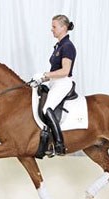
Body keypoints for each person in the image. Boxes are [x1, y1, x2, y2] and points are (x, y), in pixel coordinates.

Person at [30, 14, 76, 155]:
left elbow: (65, 71)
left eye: (54, 27)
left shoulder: (68, 46)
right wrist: (41, 80)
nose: (52, 29)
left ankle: (59, 145)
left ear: (63, 27)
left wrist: (45, 75)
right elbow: (55, 71)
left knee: (46, 108)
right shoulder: (59, 45)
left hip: (63, 83)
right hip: (55, 83)